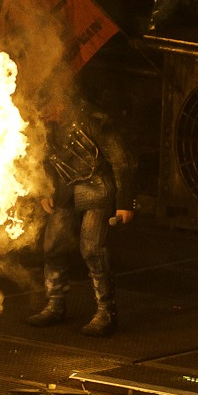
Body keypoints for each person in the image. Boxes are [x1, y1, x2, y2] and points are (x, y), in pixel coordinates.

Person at [25, 95, 135, 336]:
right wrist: (45, 190)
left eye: (47, 107)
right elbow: (42, 159)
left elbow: (120, 160)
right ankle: (55, 305)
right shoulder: (46, 127)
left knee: (92, 249)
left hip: (97, 187)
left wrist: (124, 203)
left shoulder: (92, 119)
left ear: (60, 101)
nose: (43, 114)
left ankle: (106, 312)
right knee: (52, 246)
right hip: (65, 190)